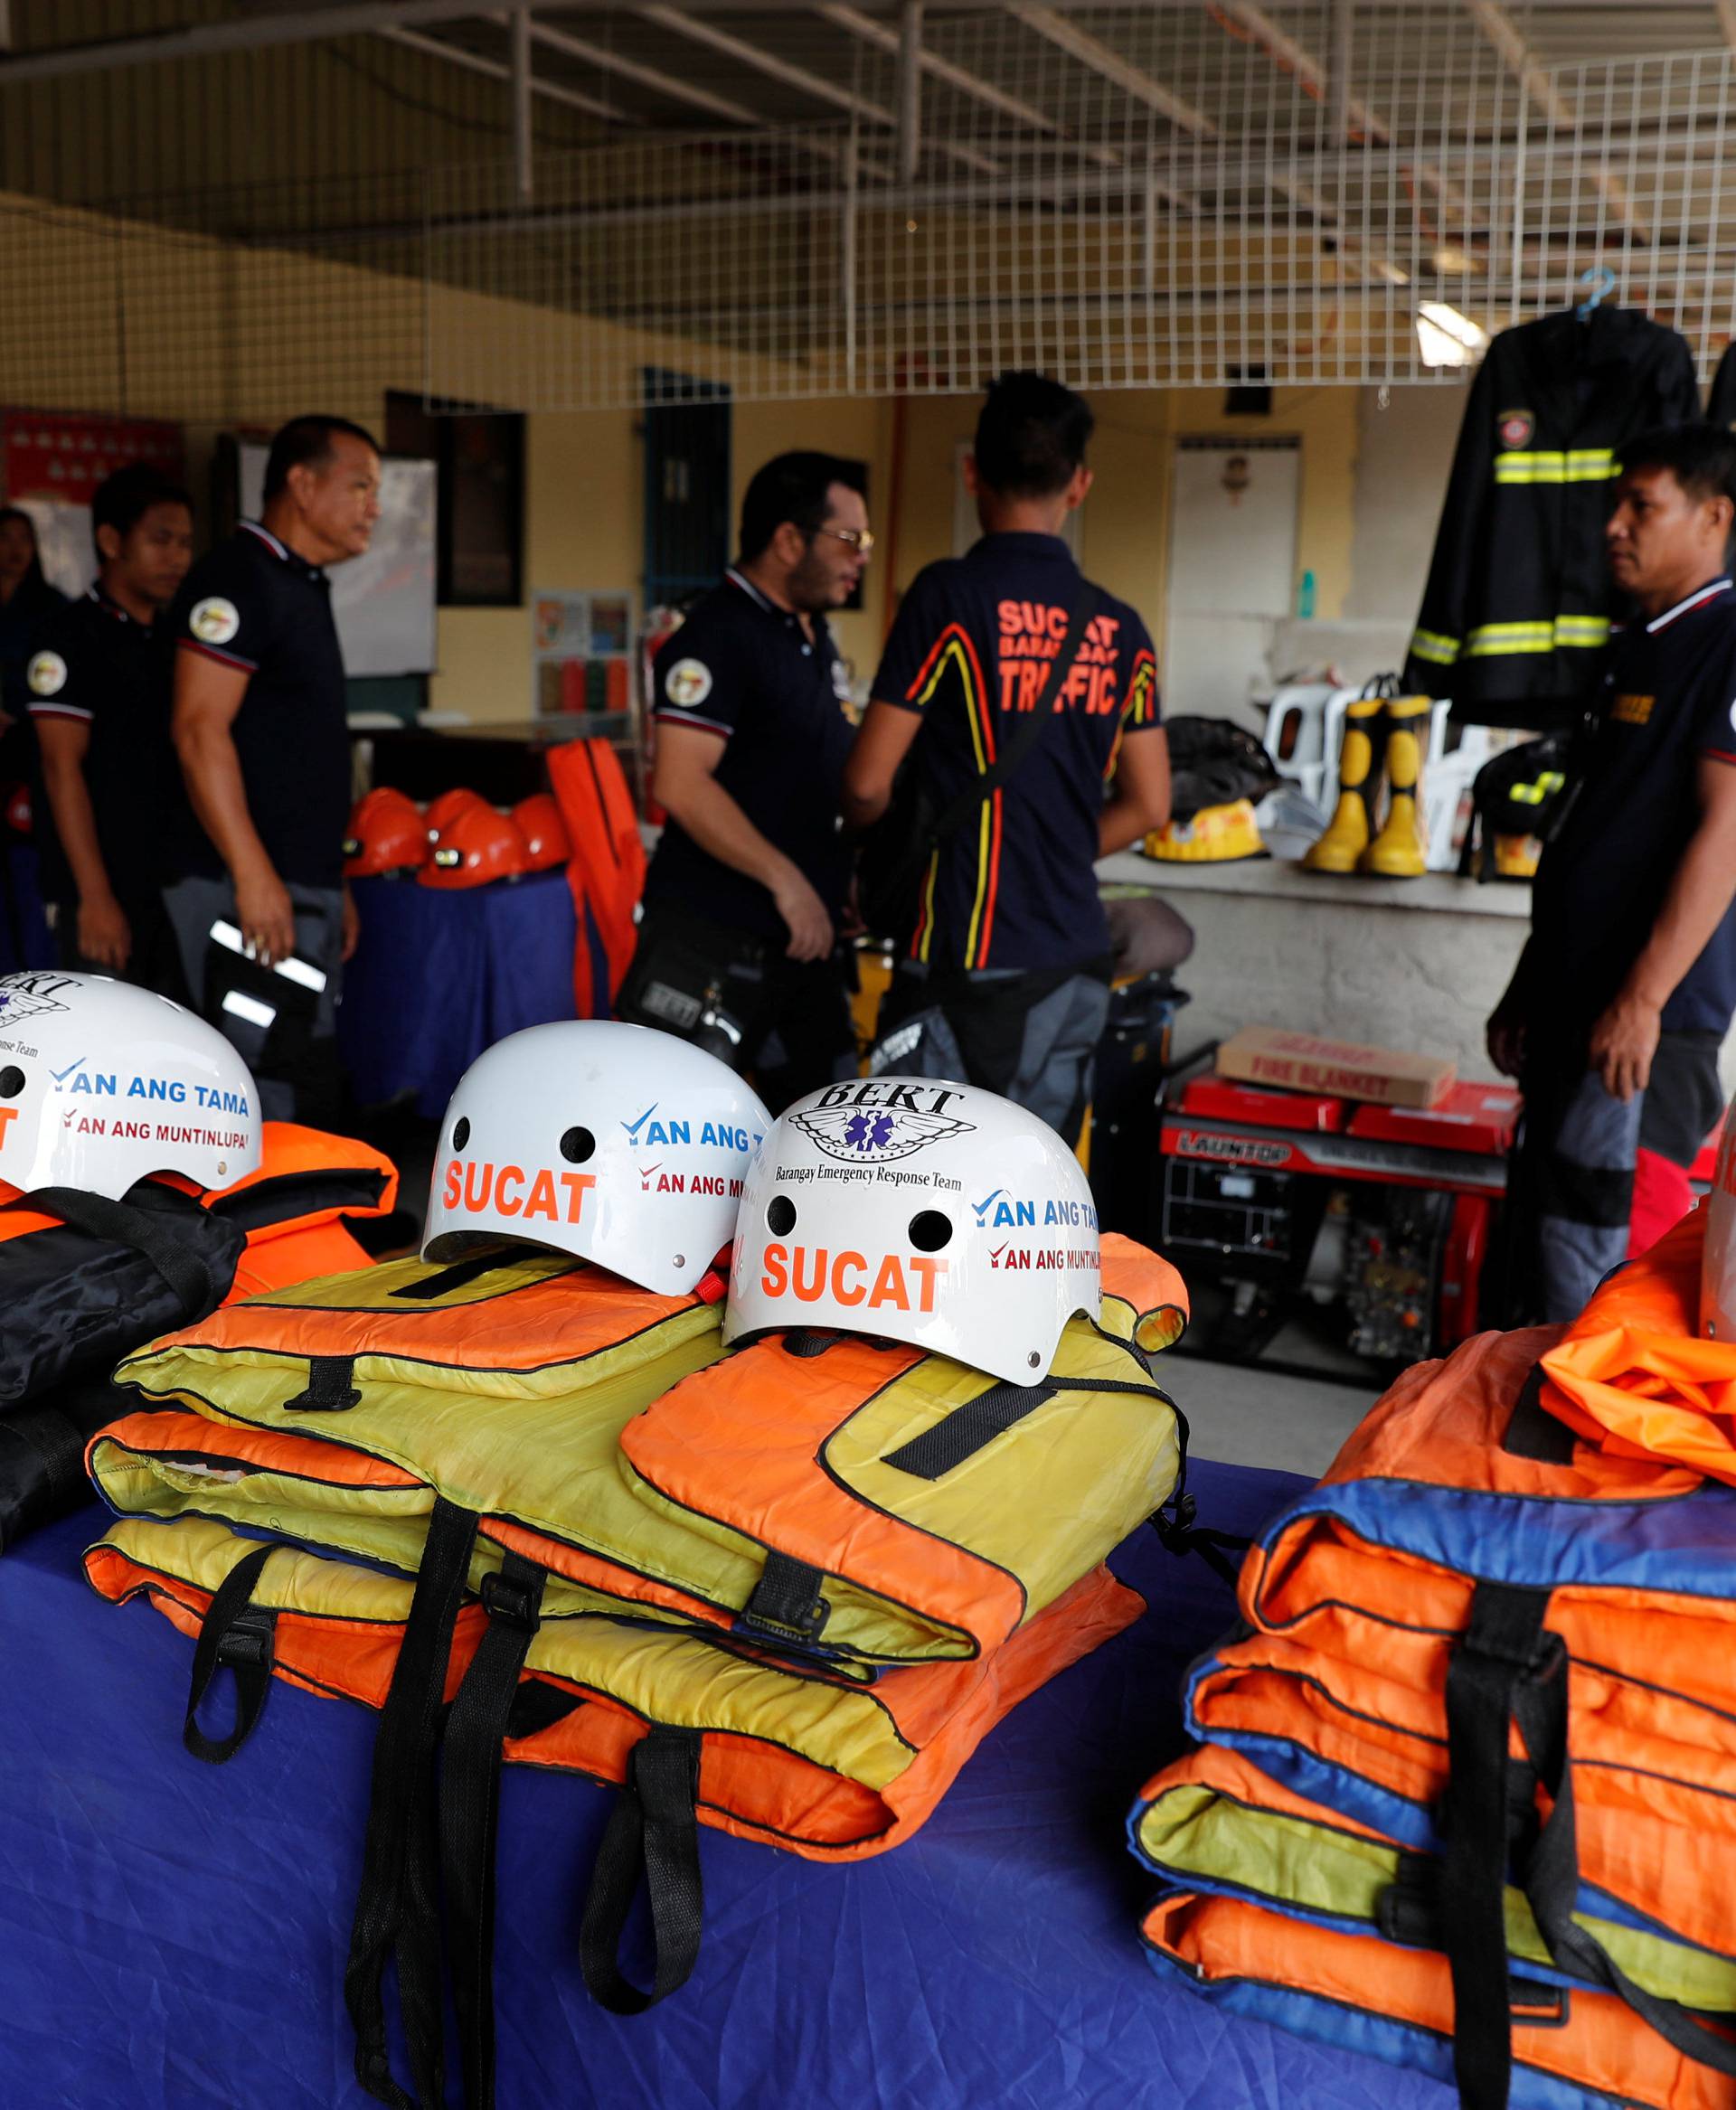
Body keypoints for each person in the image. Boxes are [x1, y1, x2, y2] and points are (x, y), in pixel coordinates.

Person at [842, 371, 1171, 1146]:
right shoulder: (1120, 630)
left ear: (971, 471)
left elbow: (864, 782)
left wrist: (872, 856)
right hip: (1078, 966)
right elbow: (1152, 806)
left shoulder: (949, 598)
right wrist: (1051, 846)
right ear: (1079, 485)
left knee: (923, 1190)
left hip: (967, 961)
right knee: (1029, 1196)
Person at [1488, 422, 1736, 1322]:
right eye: (1617, 504)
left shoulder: (1727, 640)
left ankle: (1618, 1466)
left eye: (1644, 506)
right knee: (1542, 1269)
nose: (1615, 526)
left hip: (1643, 1035)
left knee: (1606, 1281)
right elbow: (1592, 828)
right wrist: (1530, 984)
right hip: (1575, 1013)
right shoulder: (1636, 645)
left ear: (1714, 516)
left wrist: (1643, 1000)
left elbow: (1728, 832)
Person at [615, 451, 869, 1109]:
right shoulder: (719, 635)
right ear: (789, 540)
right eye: (848, 539)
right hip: (711, 937)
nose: (861, 556)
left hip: (804, 945)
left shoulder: (810, 636)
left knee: (830, 1136)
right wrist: (786, 880)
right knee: (671, 1131)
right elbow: (679, 781)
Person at [165, 413, 381, 1120]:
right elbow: (199, 731)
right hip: (239, 883)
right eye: (359, 486)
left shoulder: (299, 582)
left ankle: (308, 1220)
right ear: (301, 482)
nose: (373, 507)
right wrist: (254, 875)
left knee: (301, 1054)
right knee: (256, 1068)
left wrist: (331, 876)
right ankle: (248, 1230)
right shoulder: (237, 578)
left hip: (298, 877)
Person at [25, 464, 195, 986]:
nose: (177, 558)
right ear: (111, 540)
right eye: (160, 540)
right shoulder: (67, 638)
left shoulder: (175, 639)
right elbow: (60, 768)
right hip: (100, 889)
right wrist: (94, 899)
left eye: (186, 543)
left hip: (174, 881)